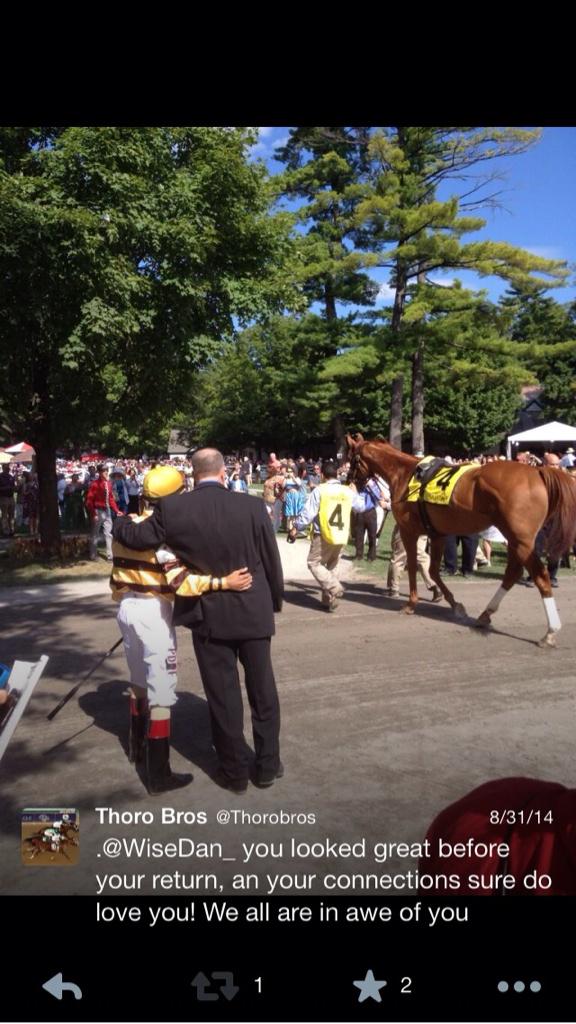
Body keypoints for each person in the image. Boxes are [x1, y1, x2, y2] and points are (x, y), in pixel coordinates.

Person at [113, 448, 284, 794]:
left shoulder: (174, 509)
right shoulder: (252, 506)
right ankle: (267, 765)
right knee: (263, 690)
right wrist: (273, 601)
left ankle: (234, 772)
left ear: (193, 474)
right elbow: (271, 559)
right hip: (252, 607)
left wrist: (119, 519)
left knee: (223, 696)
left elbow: (136, 537)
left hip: (208, 613)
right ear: (224, 473)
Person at [288, 462, 353, 612]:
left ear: (322, 475)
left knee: (314, 563)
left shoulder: (320, 490)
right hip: (341, 534)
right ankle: (329, 601)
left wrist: (296, 527)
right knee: (332, 565)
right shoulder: (347, 491)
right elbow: (361, 505)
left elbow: (308, 513)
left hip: (324, 533)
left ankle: (334, 587)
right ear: (337, 474)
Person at [386, 524, 442, 601]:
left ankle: (393, 589)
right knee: (421, 555)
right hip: (423, 525)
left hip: (406, 524)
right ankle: (435, 585)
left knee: (399, 556)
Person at [86, 464, 121, 561]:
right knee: (95, 534)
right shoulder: (95, 484)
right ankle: (93, 555)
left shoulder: (108, 483)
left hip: (107, 510)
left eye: (107, 470)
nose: (106, 472)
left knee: (109, 533)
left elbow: (111, 499)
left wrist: (116, 510)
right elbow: (89, 501)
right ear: (99, 472)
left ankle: (110, 556)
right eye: (103, 470)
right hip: (98, 510)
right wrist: (93, 514)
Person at [0, 463, 15, 537]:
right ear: (3, 469)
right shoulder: (0, 477)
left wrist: (15, 487)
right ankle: (5, 531)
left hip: (11, 497)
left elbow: (13, 486)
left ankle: (11, 529)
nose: (8, 470)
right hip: (3, 497)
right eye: (6, 469)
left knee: (12, 515)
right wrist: (6, 488)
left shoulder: (11, 477)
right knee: (4, 515)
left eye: (8, 468)